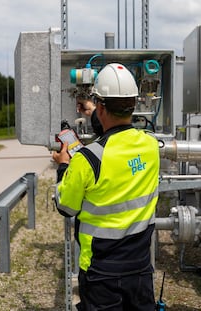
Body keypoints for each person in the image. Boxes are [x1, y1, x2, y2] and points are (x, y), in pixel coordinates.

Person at [53, 63, 160, 311]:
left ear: (101, 107)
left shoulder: (87, 159)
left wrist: (63, 166)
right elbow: (118, 132)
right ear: (133, 104)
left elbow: (66, 207)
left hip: (101, 272)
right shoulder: (151, 146)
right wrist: (95, 111)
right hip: (140, 267)